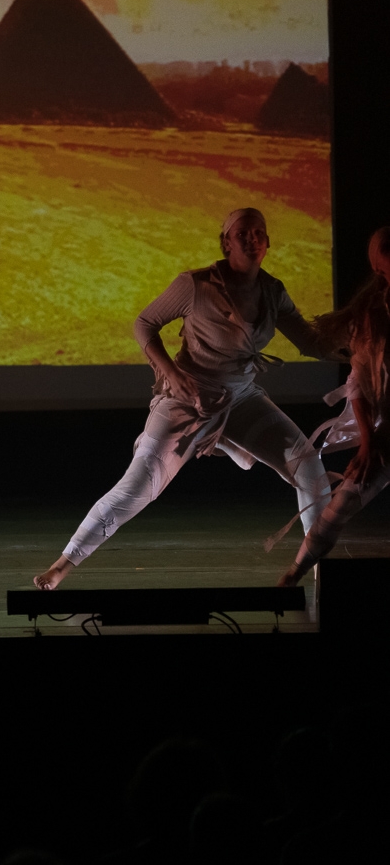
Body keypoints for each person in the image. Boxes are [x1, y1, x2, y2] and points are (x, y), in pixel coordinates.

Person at [33, 208, 333, 590]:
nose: (252, 239)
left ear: (268, 242)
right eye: (242, 233)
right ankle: (63, 563)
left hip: (241, 399)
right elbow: (144, 324)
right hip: (187, 399)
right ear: (226, 243)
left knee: (308, 466)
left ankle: (314, 569)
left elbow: (311, 343)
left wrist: (362, 345)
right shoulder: (196, 284)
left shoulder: (273, 292)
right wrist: (172, 376)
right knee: (140, 485)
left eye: (259, 232)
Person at [278, 227, 390, 585]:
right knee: (343, 501)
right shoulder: (372, 316)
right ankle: (294, 574)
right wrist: (369, 441)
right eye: (383, 270)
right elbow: (358, 382)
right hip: (385, 432)